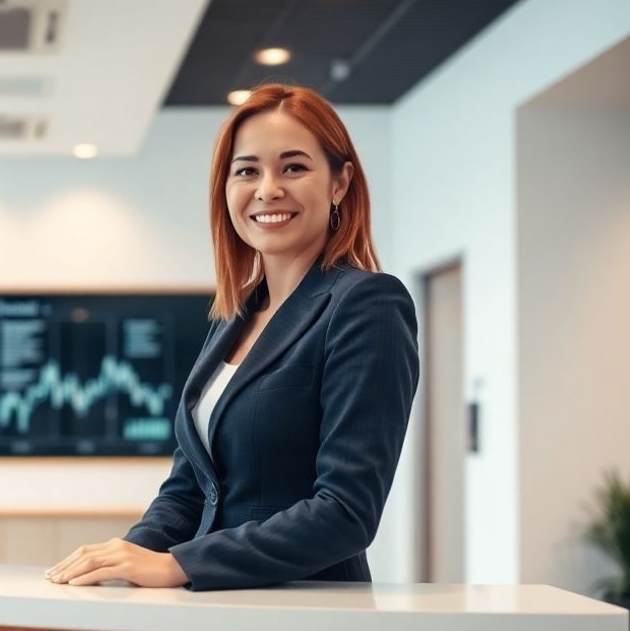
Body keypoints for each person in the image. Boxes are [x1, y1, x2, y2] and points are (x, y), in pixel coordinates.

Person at [45, 84, 420, 591]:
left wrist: (179, 565)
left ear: (340, 182)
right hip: (214, 607)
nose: (268, 189)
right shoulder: (234, 316)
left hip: (304, 609)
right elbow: (188, 490)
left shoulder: (367, 304)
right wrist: (123, 562)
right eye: (247, 171)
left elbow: (346, 511)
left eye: (293, 167)